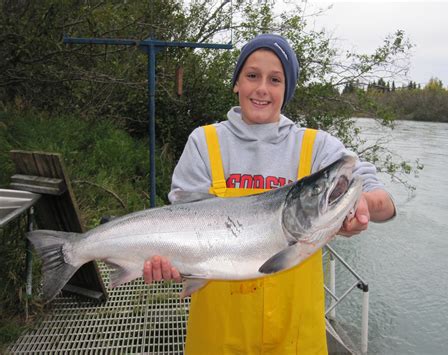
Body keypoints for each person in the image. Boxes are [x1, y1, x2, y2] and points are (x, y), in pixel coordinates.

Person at [143, 34, 395, 354]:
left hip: (296, 339)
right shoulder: (203, 142)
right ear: (236, 83)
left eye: (275, 79)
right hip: (217, 337)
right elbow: (183, 224)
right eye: (252, 75)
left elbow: (379, 199)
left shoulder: (317, 147)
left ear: (286, 91)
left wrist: (363, 205)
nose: (262, 88)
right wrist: (175, 264)